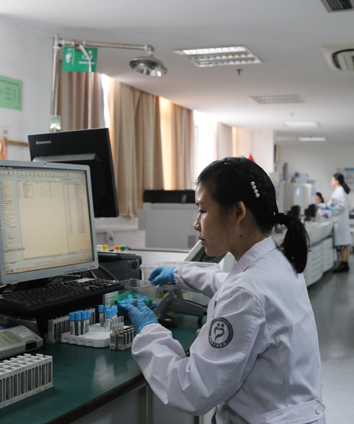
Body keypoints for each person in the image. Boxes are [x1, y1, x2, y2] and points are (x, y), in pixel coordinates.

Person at [120, 157, 326, 424]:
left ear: (238, 213)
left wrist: (149, 331)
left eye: (203, 210)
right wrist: (178, 273)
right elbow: (228, 281)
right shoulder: (275, 261)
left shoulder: (246, 292)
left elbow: (192, 390)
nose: (196, 223)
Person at [330, 172, 352, 272]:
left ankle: (344, 264)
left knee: (344, 244)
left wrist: (332, 210)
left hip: (340, 221)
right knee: (345, 244)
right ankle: (345, 263)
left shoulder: (340, 191)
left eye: (332, 179)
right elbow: (332, 203)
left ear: (337, 181)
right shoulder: (339, 190)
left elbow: (341, 206)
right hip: (341, 220)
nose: (331, 181)